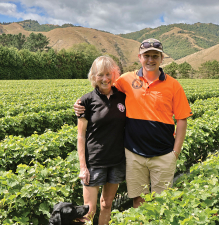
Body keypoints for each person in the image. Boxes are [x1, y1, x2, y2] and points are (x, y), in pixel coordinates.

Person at [74, 38, 192, 209]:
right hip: (134, 155)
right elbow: (104, 86)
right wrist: (80, 104)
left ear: (162, 58)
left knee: (163, 202)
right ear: (139, 57)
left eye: (155, 56)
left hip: (163, 154)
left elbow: (182, 119)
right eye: (146, 56)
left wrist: (175, 152)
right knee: (138, 201)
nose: (150, 60)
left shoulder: (174, 85)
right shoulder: (126, 80)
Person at [77, 55, 126, 224]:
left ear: (114, 74)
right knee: (89, 210)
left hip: (117, 161)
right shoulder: (86, 101)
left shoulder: (122, 97)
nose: (105, 79)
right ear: (93, 77)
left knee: (107, 204)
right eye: (100, 75)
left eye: (108, 74)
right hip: (95, 162)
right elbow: (81, 136)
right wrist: (83, 167)